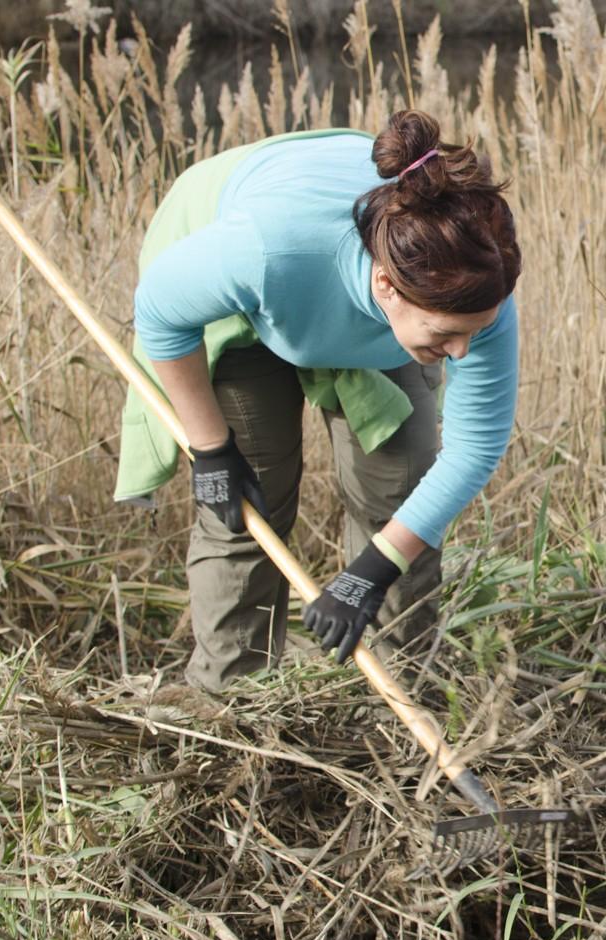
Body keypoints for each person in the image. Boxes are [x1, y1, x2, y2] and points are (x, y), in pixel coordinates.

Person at [115, 110, 521, 691]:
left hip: (367, 312)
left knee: (403, 484)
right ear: (386, 285)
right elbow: (159, 310)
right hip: (253, 301)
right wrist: (210, 449)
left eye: (472, 333)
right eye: (446, 335)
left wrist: (374, 568)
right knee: (248, 501)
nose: (461, 352)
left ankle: (399, 689)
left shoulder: (473, 291)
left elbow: (474, 447)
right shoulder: (264, 251)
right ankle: (232, 693)